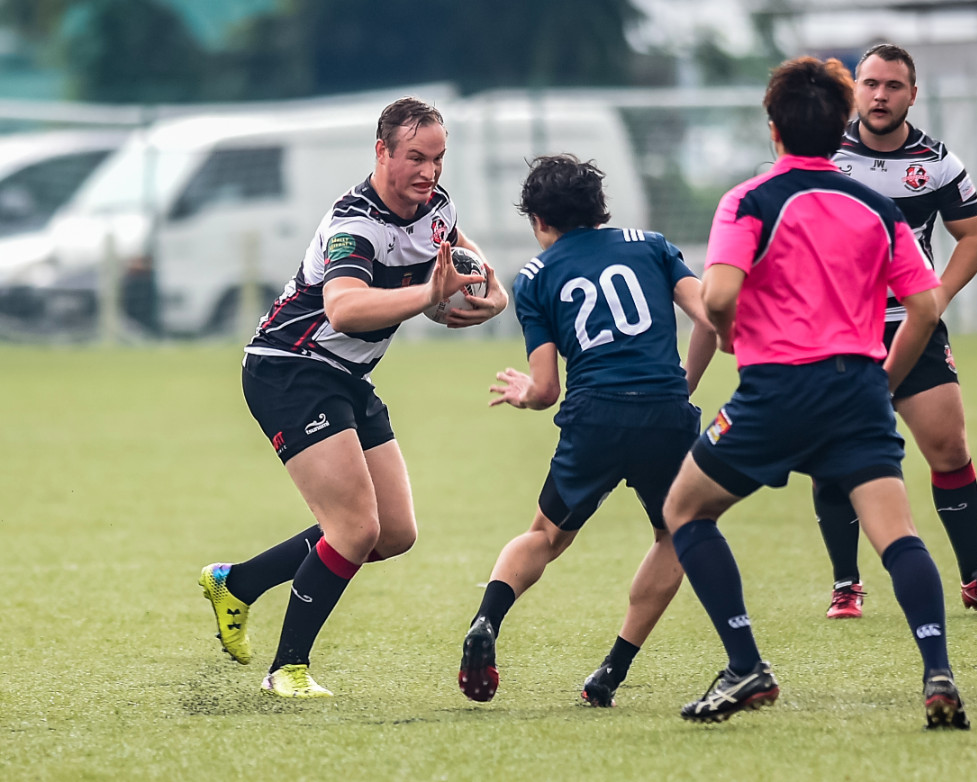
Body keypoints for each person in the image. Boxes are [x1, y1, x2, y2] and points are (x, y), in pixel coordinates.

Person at [663, 56, 970, 729]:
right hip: (857, 390)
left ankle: (746, 665)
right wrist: (883, 381)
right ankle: (937, 671)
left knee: (684, 510)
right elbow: (923, 307)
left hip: (775, 391)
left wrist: (732, 335)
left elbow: (718, 294)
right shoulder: (877, 206)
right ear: (840, 130)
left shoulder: (747, 200)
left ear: (773, 128)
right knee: (898, 535)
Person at [198, 96, 508, 698]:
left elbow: (472, 267)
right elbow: (343, 308)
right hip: (290, 369)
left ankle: (237, 583)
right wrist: (428, 295)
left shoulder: (437, 208)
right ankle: (287, 669)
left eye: (438, 158)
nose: (429, 171)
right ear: (382, 151)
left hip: (347, 376)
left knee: (392, 533)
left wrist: (491, 299)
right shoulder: (354, 225)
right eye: (415, 157)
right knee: (354, 527)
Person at [457, 153, 717, 706]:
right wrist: (682, 384)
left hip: (594, 416)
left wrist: (524, 394)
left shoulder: (534, 276)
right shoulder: (652, 245)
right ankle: (611, 672)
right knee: (676, 536)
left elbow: (546, 389)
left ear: (539, 221)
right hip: (665, 415)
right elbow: (711, 317)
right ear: (601, 208)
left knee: (545, 536)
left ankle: (486, 621)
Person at [819, 43, 977, 619]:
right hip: (838, 330)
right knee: (835, 451)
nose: (880, 96)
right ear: (855, 90)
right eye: (870, 84)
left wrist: (937, 296)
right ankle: (845, 584)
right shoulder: (826, 155)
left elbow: (974, 237)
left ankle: (975, 579)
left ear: (912, 94)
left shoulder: (936, 162)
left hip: (912, 325)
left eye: (893, 86)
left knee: (949, 448)